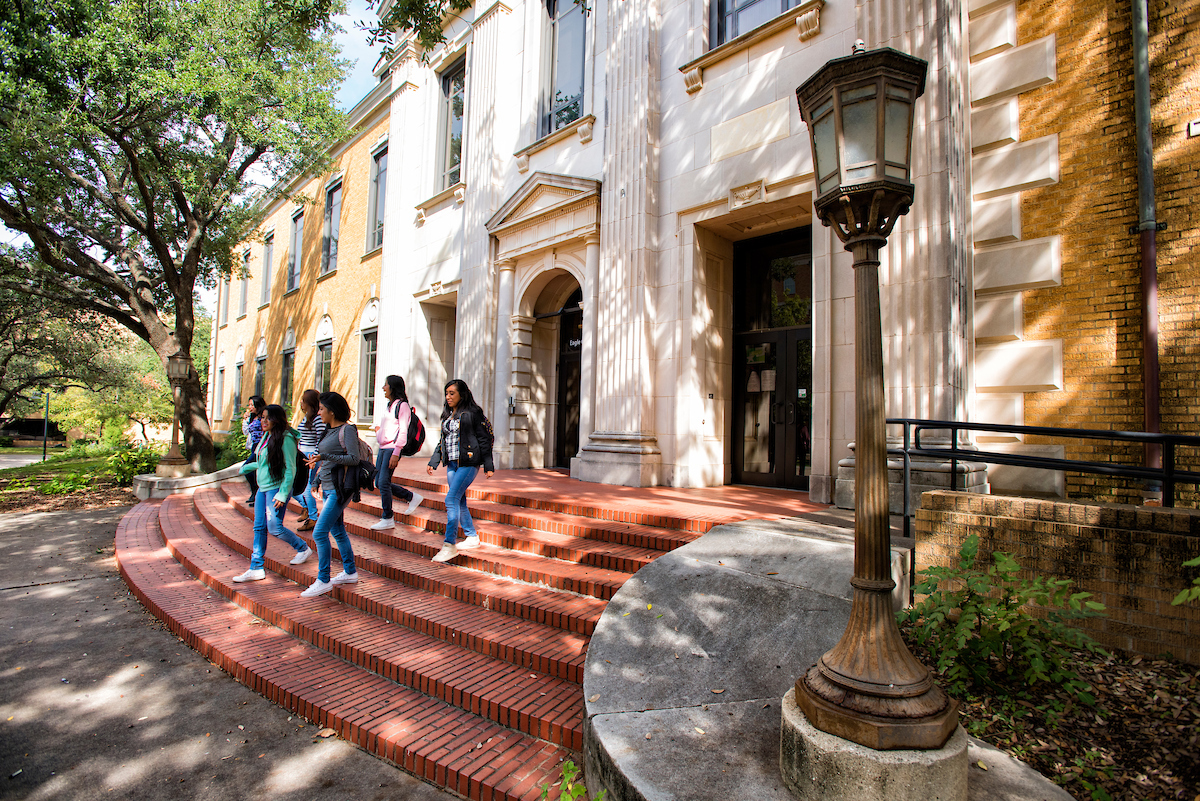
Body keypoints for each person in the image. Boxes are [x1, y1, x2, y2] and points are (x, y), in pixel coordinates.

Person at [233, 404, 313, 582]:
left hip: (276, 489)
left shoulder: (287, 439)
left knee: (274, 527)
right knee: (259, 527)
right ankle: (256, 567)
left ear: (277, 419)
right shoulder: (267, 437)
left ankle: (302, 548)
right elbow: (264, 462)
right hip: (263, 488)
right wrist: (247, 467)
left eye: (267, 418)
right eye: (262, 417)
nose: (263, 421)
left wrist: (283, 494)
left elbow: (290, 469)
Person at [300, 391, 361, 598]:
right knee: (337, 531)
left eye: (322, 409)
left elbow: (353, 458)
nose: (319, 412)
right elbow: (326, 461)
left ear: (332, 411)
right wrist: (316, 480)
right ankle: (350, 572)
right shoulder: (328, 430)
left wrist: (324, 455)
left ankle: (323, 579)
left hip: (339, 489)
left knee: (318, 533)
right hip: (327, 486)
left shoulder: (347, 430)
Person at [426, 379, 494, 562]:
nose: (448, 397)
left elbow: (484, 439)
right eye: (446, 393)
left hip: (468, 463)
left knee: (451, 499)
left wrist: (488, 465)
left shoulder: (473, 413)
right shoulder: (448, 414)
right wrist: (434, 461)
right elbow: (443, 441)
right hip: (452, 464)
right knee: (460, 500)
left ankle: (449, 545)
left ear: (462, 394)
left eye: (452, 393)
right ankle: (472, 537)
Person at [371, 375, 425, 530]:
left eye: (385, 385)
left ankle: (387, 517)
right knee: (379, 482)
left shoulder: (402, 406)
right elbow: (388, 429)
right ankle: (411, 497)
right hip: (383, 448)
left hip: (392, 449)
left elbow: (403, 430)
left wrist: (396, 452)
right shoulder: (390, 405)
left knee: (383, 482)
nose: (383, 388)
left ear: (393, 387)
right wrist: (378, 433)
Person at [294, 389, 326, 532]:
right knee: (296, 486)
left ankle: (313, 517)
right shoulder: (307, 416)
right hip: (303, 454)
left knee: (306, 486)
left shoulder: (317, 418)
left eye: (303, 399)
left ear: (308, 402)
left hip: (310, 455)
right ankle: (307, 508)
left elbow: (321, 438)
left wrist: (314, 456)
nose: (300, 402)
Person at [241, 396, 267, 504]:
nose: (250, 407)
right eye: (249, 405)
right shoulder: (253, 417)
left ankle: (256, 493)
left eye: (252, 405)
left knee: (246, 468)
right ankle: (255, 494)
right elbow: (246, 432)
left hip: (260, 446)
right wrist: (246, 420)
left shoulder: (263, 417)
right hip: (253, 446)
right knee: (253, 470)